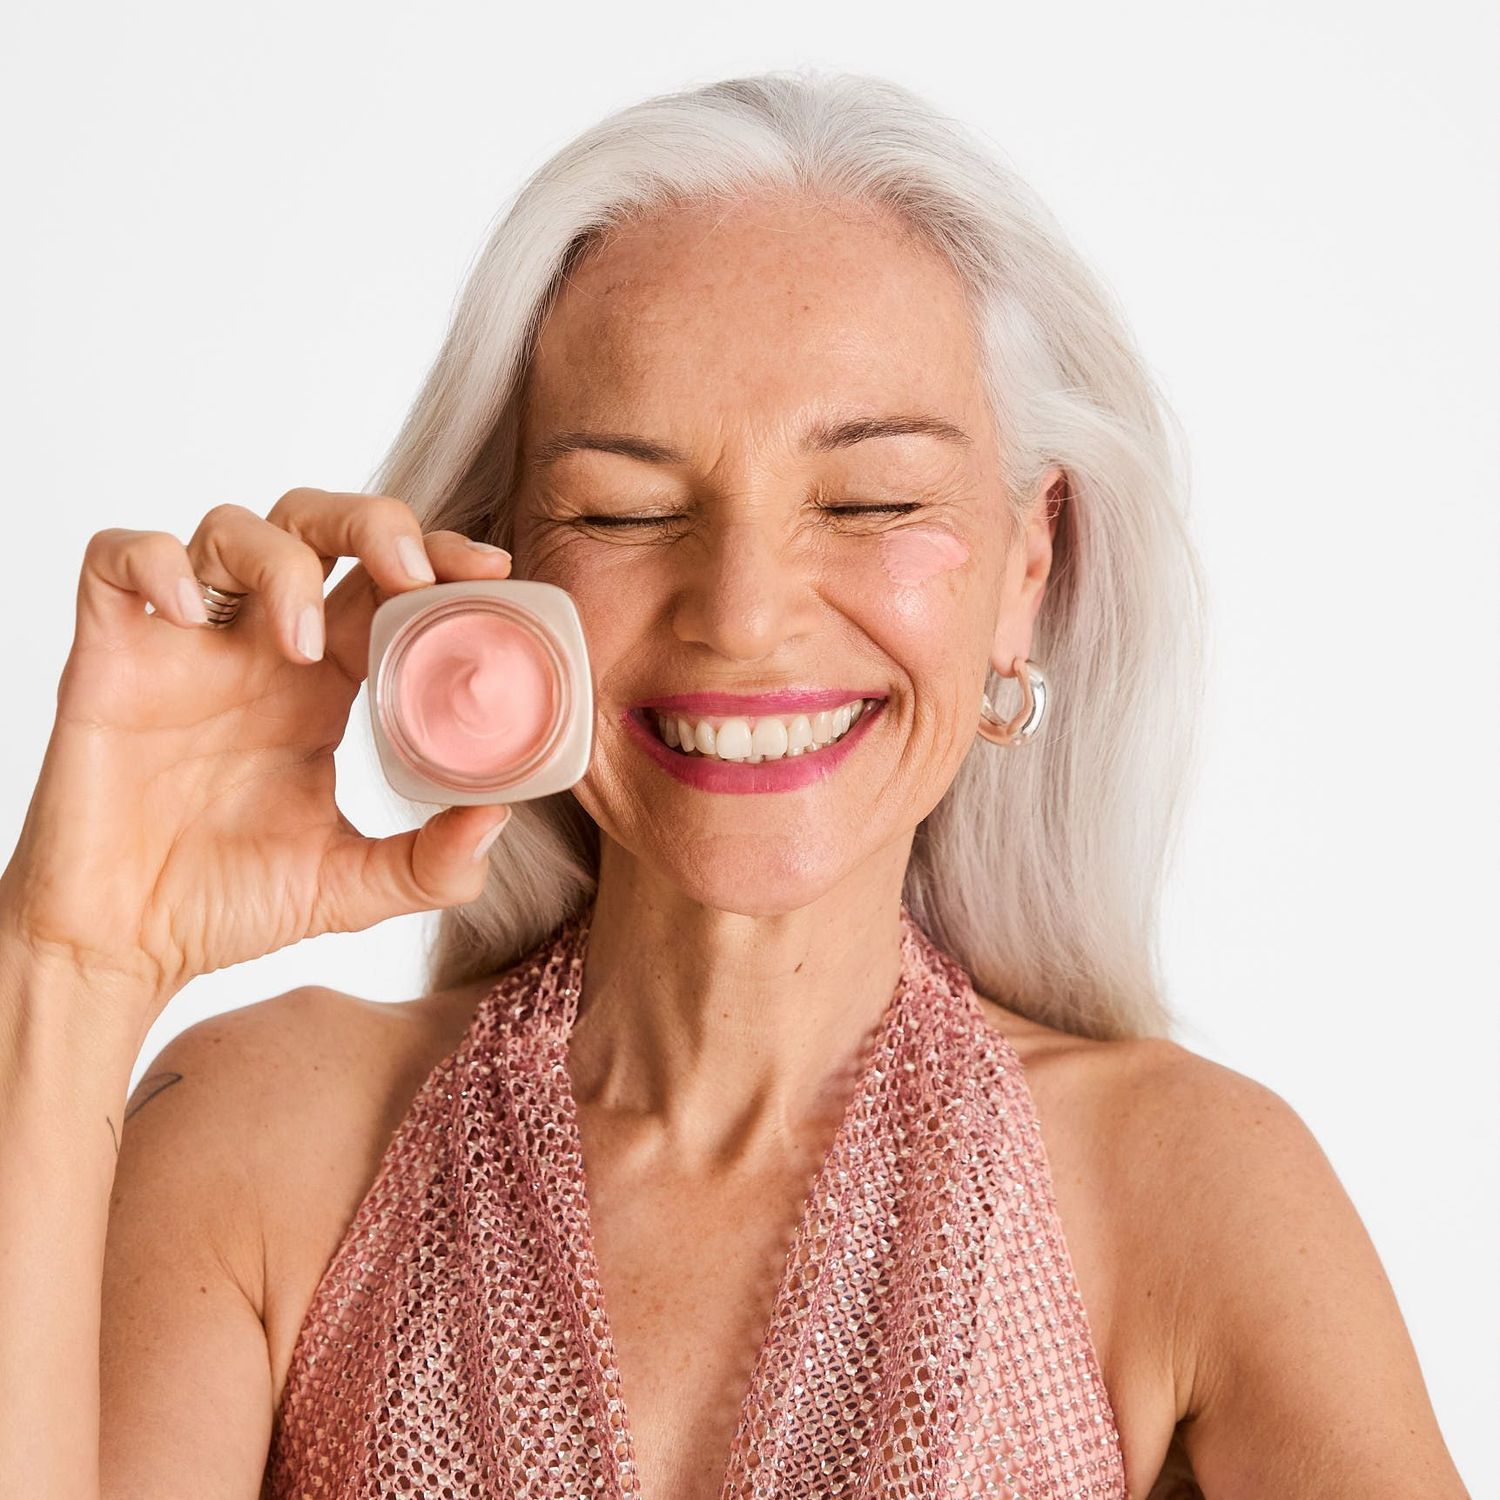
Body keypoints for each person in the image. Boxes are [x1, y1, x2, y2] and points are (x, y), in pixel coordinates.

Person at [0, 70, 1468, 1500]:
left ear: (1031, 566)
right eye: (626, 509)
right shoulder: (269, 1140)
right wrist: (69, 969)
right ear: (495, 574)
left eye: (873, 499)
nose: (745, 611)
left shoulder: (1190, 1192)